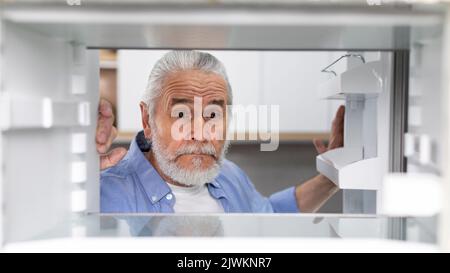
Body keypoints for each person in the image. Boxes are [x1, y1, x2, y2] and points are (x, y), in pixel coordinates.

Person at [98, 50, 344, 213]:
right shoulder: (105, 192)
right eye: (181, 114)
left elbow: (268, 216)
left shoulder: (228, 175)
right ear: (147, 119)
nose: (201, 133)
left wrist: (332, 178)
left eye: (213, 115)